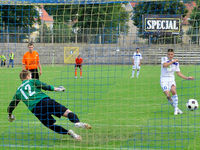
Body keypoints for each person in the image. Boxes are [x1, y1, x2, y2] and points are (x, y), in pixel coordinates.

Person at [7, 70, 91, 141]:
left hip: (36, 110)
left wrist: (10, 115)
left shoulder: (18, 92)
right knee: (66, 112)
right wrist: (58, 89)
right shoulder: (32, 81)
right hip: (45, 101)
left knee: (51, 125)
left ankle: (71, 133)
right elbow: (46, 87)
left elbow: (11, 106)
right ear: (28, 76)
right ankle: (77, 122)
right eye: (31, 76)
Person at [160, 49, 194, 115]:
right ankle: (177, 108)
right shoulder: (164, 59)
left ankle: (175, 110)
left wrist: (187, 78)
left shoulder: (176, 63)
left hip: (171, 79)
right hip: (163, 79)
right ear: (167, 54)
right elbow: (165, 65)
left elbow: (178, 73)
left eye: (171, 54)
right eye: (169, 54)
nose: (170, 55)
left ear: (173, 54)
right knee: (168, 95)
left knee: (173, 91)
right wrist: (172, 61)